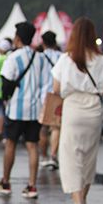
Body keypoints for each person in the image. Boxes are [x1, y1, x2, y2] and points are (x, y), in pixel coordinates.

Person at [50, 18, 103, 204]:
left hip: (73, 108)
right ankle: (83, 201)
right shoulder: (100, 60)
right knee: (89, 157)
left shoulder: (66, 59)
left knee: (71, 157)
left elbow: (56, 89)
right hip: (94, 109)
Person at [0, 22, 43, 198]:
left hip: (16, 108)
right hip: (35, 109)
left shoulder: (12, 57)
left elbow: (6, 84)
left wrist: (6, 99)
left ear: (18, 38)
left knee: (11, 143)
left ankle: (5, 182)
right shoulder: (40, 57)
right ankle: (32, 185)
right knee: (32, 145)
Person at [38, 31, 63, 170]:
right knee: (56, 126)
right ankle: (53, 156)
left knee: (42, 128)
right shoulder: (62, 57)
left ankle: (43, 156)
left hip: (43, 95)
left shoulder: (39, 58)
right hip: (58, 94)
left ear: (43, 43)